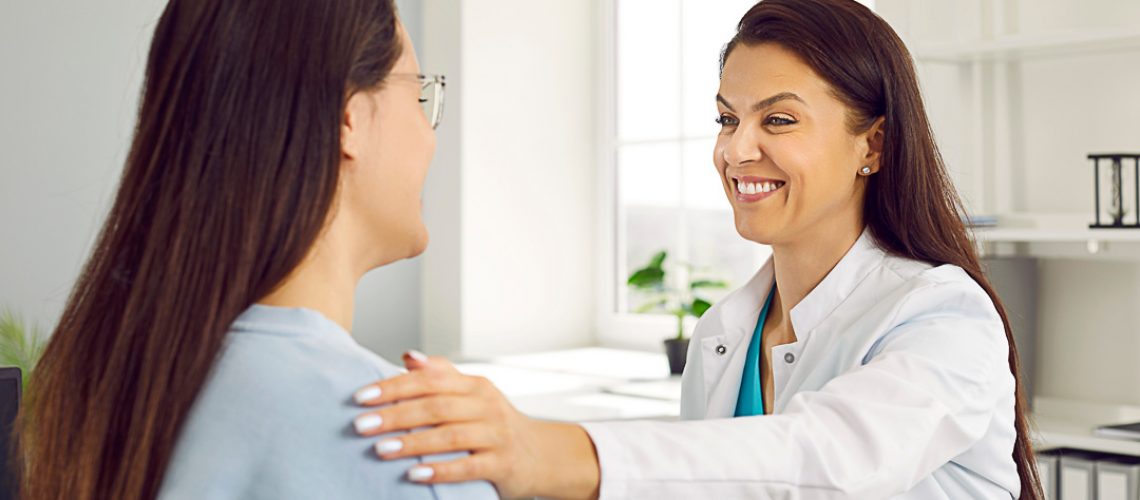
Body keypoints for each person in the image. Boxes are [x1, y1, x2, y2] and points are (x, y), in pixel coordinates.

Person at [348, 0, 1043, 498]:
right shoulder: (725, 336)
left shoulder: (944, 318)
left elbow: (826, 461)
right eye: (726, 118)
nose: (738, 149)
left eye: (778, 119)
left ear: (875, 144)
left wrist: (547, 452)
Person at [15, 1, 495, 499]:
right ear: (347, 118)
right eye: (418, 94)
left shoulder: (116, 392)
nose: (429, 135)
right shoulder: (403, 447)